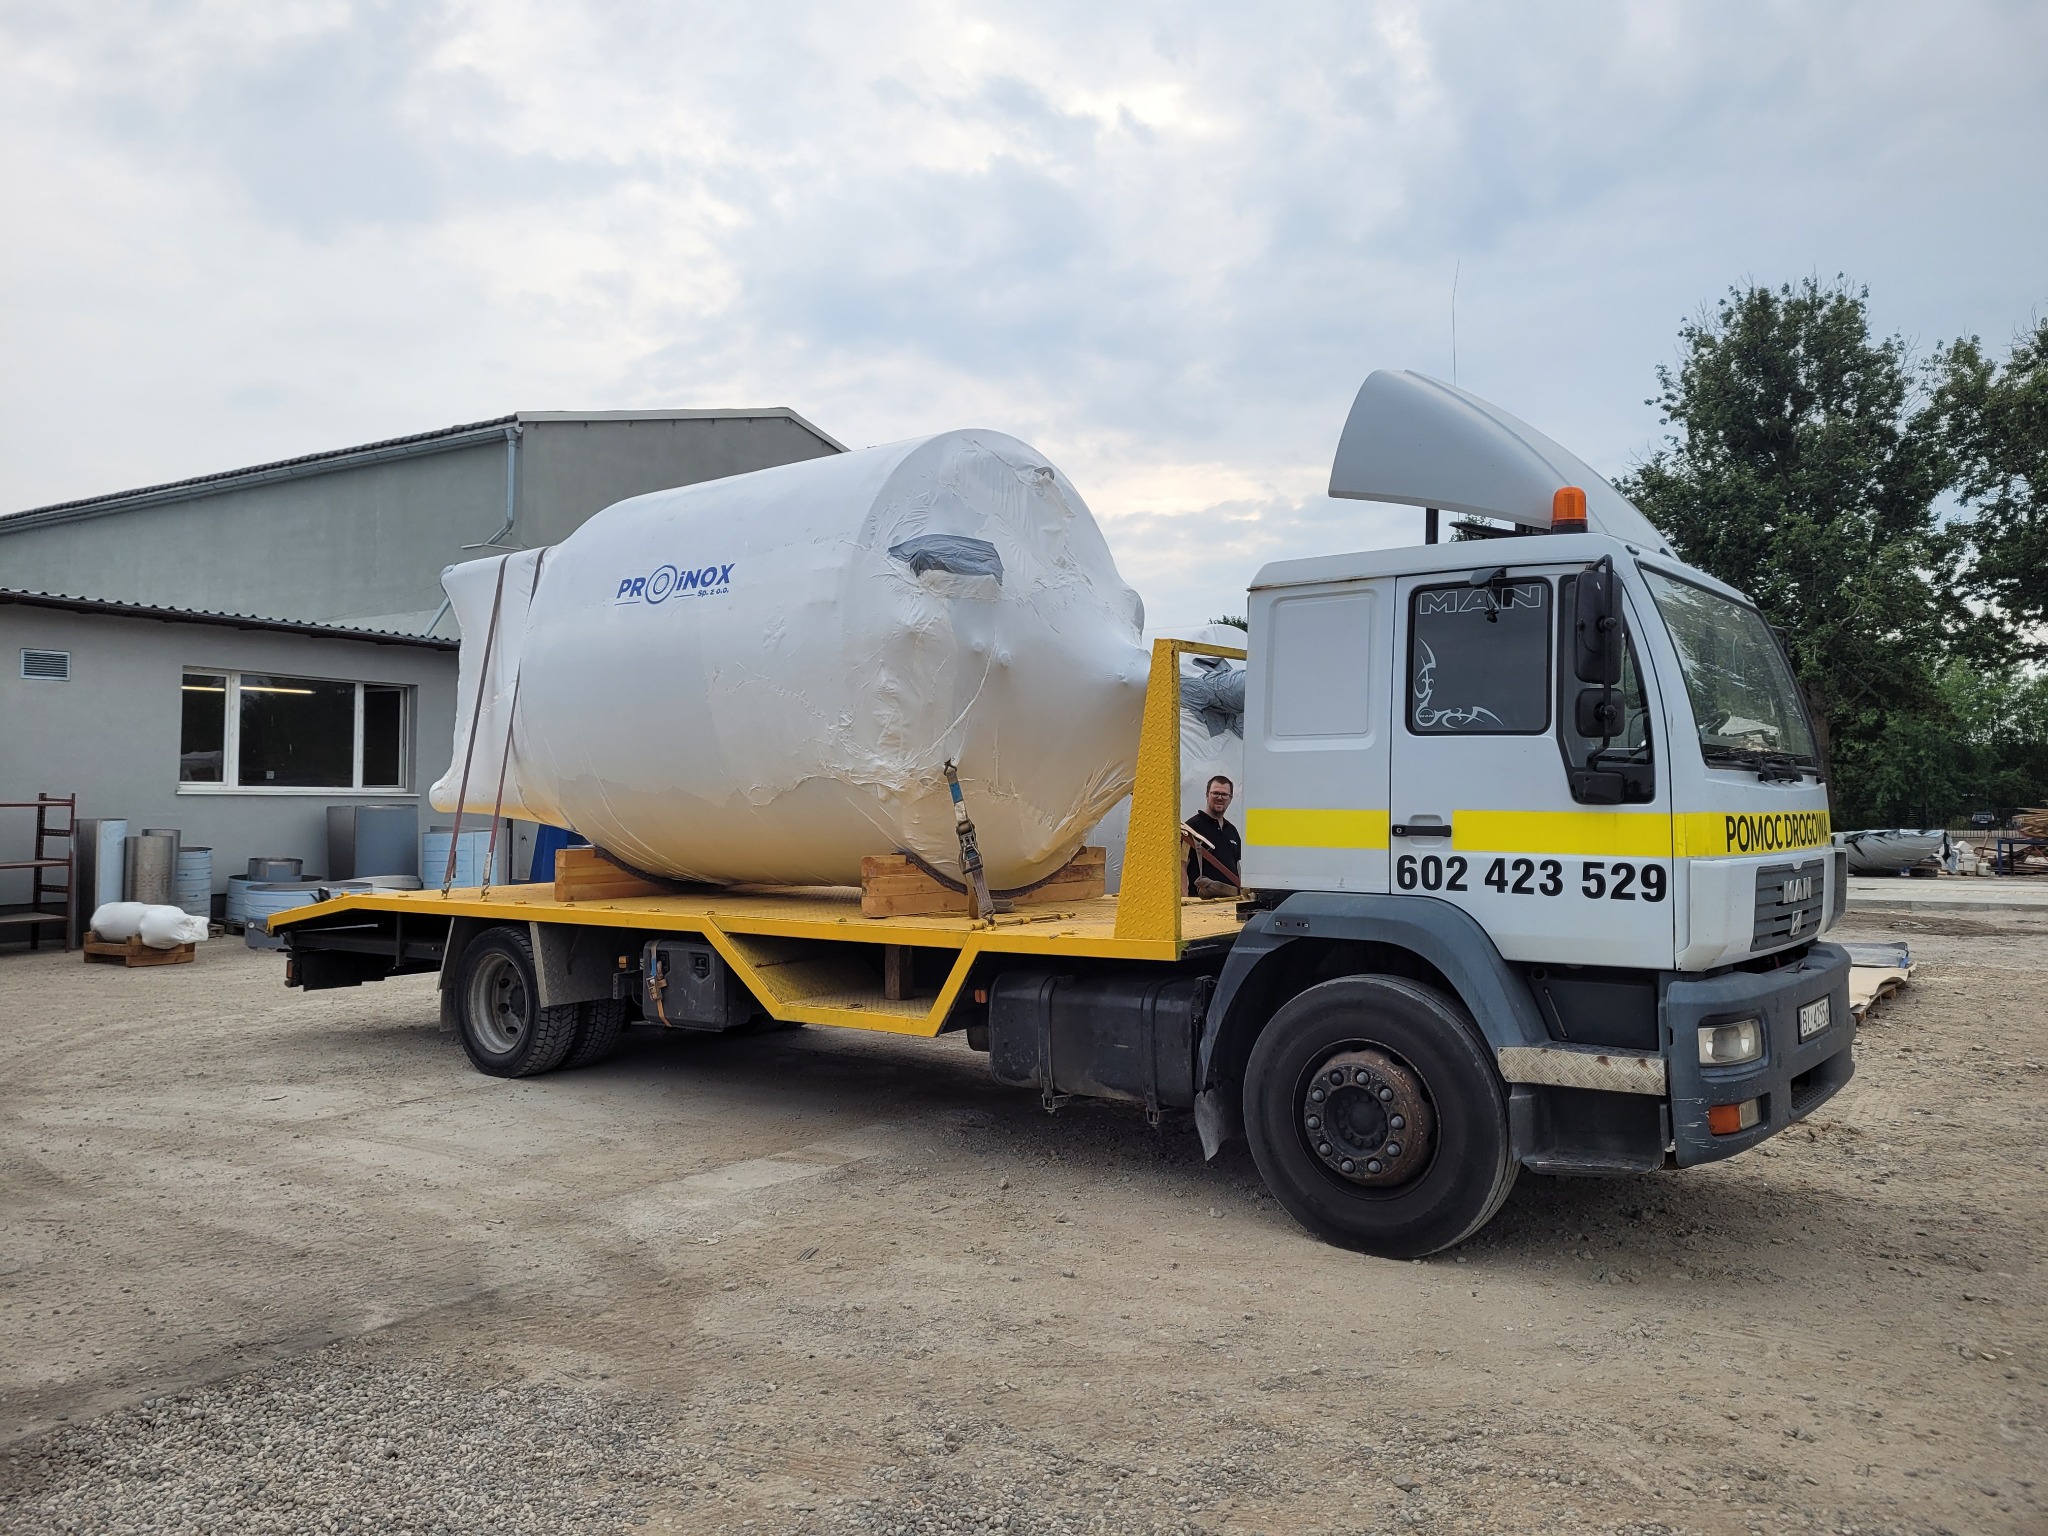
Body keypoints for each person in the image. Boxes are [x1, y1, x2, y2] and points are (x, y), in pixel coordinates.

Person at [1182, 775, 1242, 896]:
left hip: (1230, 903)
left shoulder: (1232, 831)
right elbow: (1181, 865)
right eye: (1215, 793)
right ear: (1207, 795)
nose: (1220, 797)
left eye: (1225, 794)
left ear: (1230, 799)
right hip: (1202, 907)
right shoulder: (1191, 828)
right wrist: (1183, 900)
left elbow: (1237, 867)